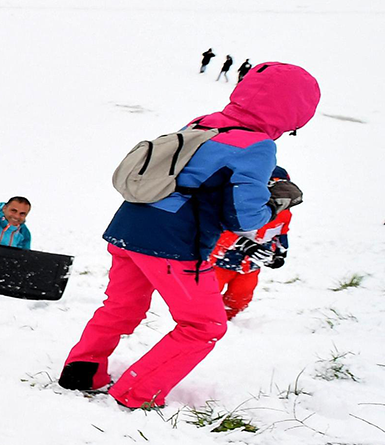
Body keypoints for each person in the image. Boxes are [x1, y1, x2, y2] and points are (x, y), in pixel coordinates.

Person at [59, 62, 320, 408]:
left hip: (129, 224)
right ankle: (136, 394)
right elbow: (242, 218)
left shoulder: (205, 122)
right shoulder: (257, 146)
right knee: (205, 325)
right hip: (172, 243)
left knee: (121, 306)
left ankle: (80, 372)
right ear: (295, 111)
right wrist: (276, 203)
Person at [208, 168, 300, 319]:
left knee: (241, 296)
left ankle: (229, 317)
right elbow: (215, 230)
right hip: (221, 260)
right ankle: (204, 318)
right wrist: (242, 243)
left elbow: (281, 233)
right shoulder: (238, 206)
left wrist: (280, 252)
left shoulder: (284, 213)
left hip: (252, 264)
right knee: (208, 293)